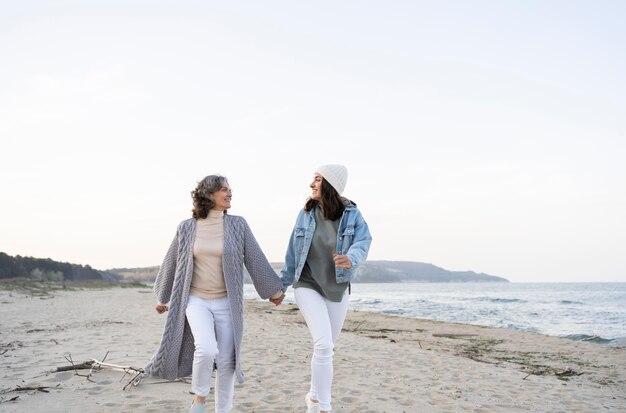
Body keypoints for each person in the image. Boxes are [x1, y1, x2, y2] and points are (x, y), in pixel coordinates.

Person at [144, 175, 285, 413]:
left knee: (228, 360)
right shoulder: (187, 227)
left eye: (230, 190)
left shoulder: (238, 225)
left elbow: (255, 258)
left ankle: (224, 410)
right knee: (207, 348)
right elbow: (171, 262)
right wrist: (163, 298)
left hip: (226, 302)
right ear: (208, 195)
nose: (229, 193)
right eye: (223, 190)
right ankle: (199, 399)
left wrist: (274, 290)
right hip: (196, 299)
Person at [279, 164, 372, 413]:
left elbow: (364, 240)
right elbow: (292, 252)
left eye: (317, 179)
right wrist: (282, 285)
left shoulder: (352, 214)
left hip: (338, 286)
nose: (311, 184)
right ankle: (323, 407)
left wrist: (351, 257)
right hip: (307, 283)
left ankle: (313, 397)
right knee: (322, 345)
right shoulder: (306, 214)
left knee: (327, 348)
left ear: (330, 184)